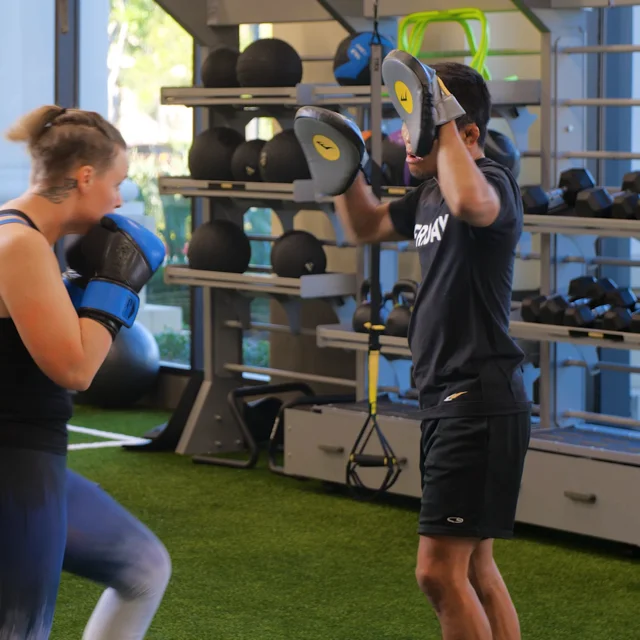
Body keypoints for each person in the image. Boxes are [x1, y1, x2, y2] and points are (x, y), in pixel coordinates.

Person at [297, 59, 531, 639]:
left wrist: (440, 121)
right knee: (475, 567)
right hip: (450, 399)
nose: (407, 135)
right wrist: (344, 173)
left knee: (437, 573)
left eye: (415, 121)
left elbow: (473, 204)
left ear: (466, 132)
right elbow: (366, 226)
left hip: (476, 397)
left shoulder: (492, 183)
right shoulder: (428, 193)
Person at [0, 105, 171, 640]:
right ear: (85, 176)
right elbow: (76, 368)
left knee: (144, 568)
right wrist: (118, 287)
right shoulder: (19, 245)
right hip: (14, 464)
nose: (119, 200)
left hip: (35, 459)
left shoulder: (29, 236)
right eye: (117, 183)